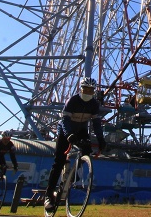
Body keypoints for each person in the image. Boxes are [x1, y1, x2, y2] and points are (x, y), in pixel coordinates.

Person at [44, 77, 107, 213]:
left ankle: (71, 179)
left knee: (86, 152)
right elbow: (65, 120)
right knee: (59, 161)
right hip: (66, 130)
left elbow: (96, 124)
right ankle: (48, 195)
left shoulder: (94, 104)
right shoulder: (72, 101)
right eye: (86, 89)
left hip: (81, 131)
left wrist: (101, 139)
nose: (88, 92)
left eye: (91, 90)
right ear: (81, 89)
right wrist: (69, 135)